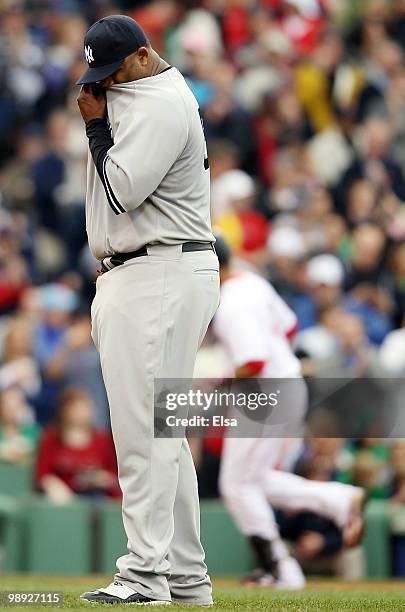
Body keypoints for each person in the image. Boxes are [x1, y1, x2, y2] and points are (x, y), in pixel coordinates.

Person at [76, 15, 219, 606]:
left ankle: (144, 576)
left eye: (112, 72)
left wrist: (95, 129)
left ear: (141, 55)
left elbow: (122, 189)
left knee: (144, 435)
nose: (105, 84)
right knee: (163, 434)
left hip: (159, 269)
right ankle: (185, 579)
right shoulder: (142, 92)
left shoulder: (161, 101)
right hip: (148, 270)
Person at [213, 236, 365, 589]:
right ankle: (338, 501)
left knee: (236, 485)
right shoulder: (252, 280)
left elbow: (252, 361)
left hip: (264, 392)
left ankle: (281, 570)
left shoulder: (232, 302)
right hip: (288, 384)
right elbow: (290, 325)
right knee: (252, 480)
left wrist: (218, 383)